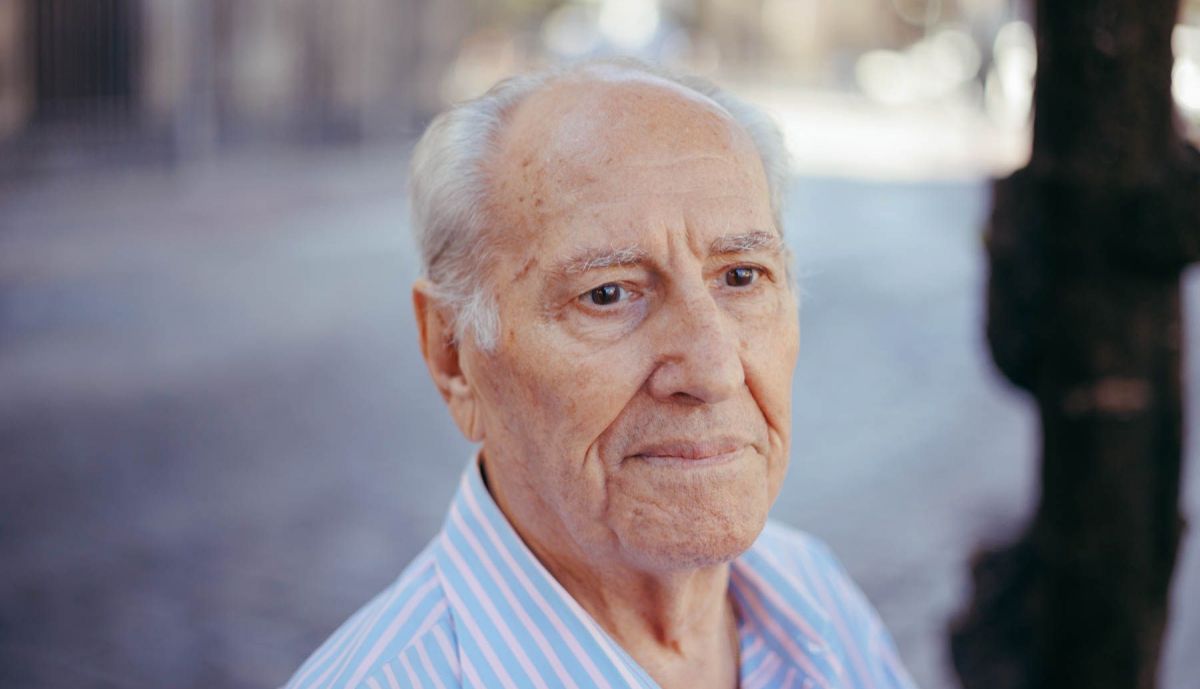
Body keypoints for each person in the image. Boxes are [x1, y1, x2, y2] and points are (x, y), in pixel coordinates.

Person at [283, 59, 917, 689]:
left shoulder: (818, 600)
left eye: (741, 276)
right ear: (453, 356)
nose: (714, 369)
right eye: (609, 293)